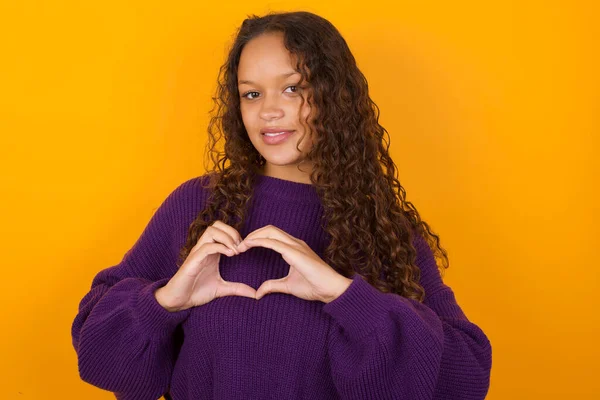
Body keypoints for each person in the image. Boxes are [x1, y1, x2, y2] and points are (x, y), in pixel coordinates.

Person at [71, 10, 492, 400]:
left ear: (333, 96)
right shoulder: (197, 206)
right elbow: (99, 355)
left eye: (293, 88)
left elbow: (466, 378)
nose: (269, 111)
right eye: (251, 94)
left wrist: (346, 297)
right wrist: (165, 302)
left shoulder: (383, 229)